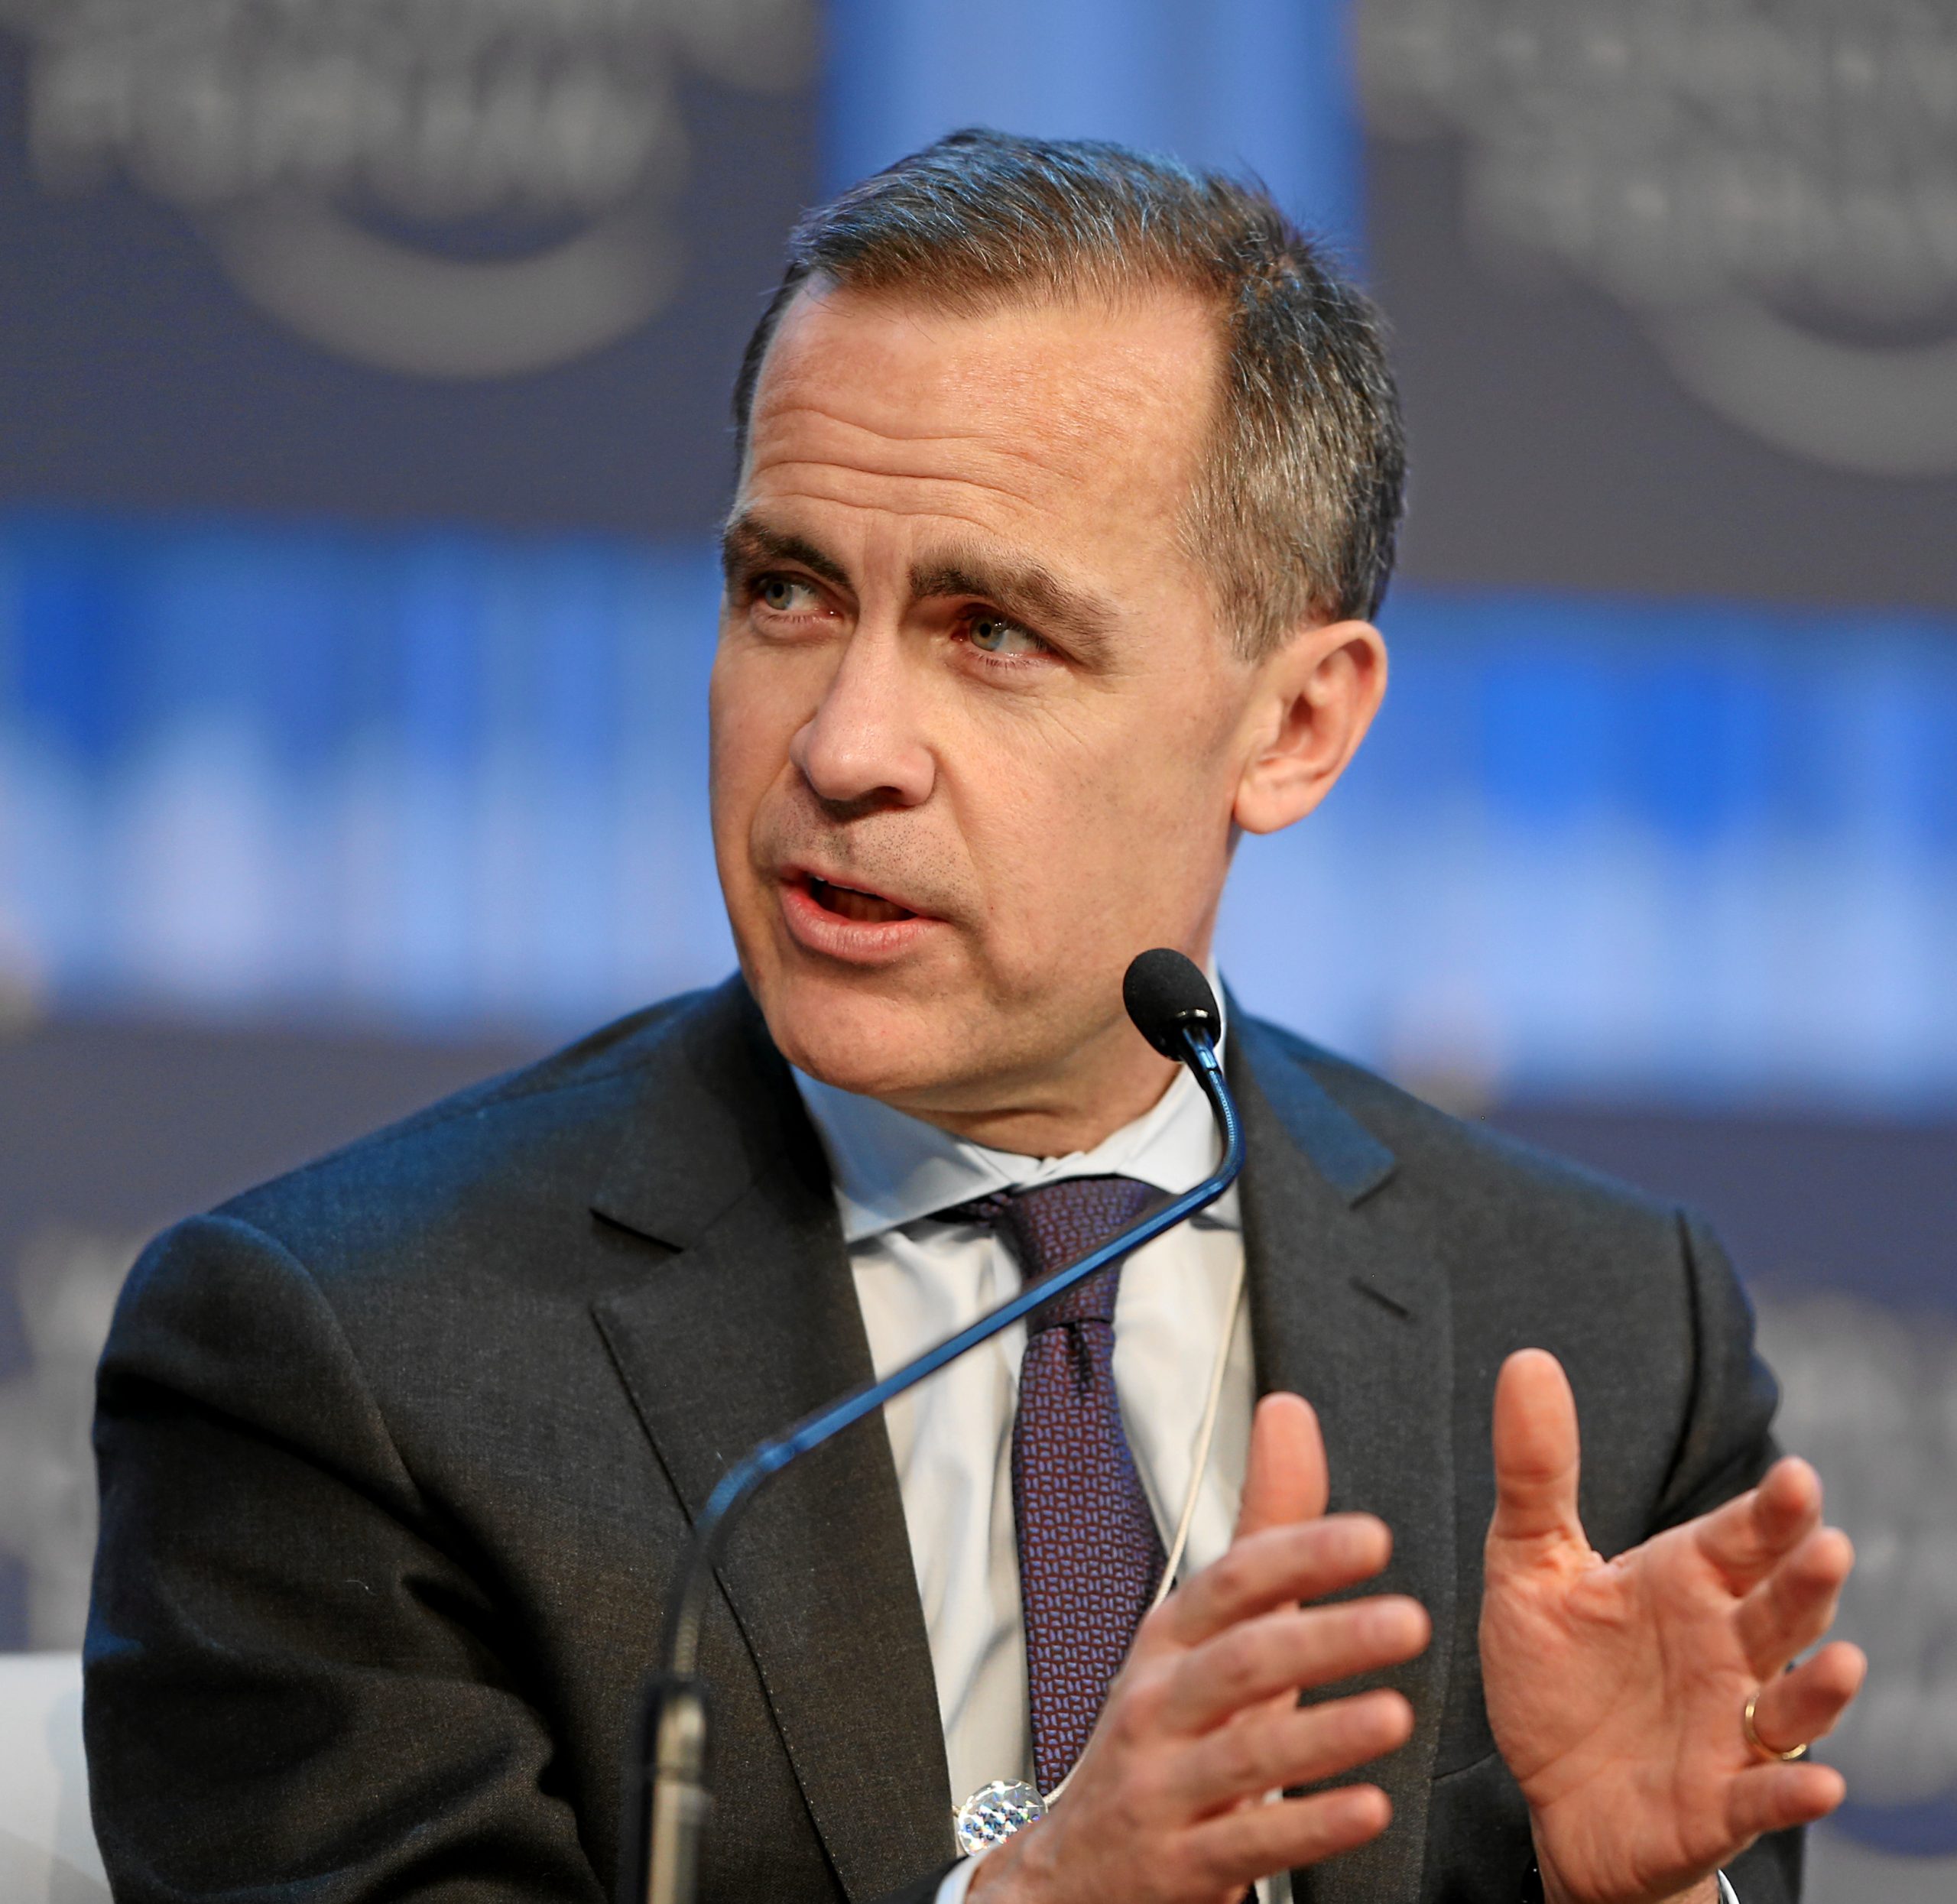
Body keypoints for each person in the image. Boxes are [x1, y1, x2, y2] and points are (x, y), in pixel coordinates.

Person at [86, 132, 1863, 1904]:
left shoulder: (1604, 1333)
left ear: (1293, 726)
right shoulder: (349, 1358)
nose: (842, 746)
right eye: (786, 591)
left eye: (991, 629)